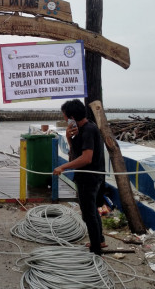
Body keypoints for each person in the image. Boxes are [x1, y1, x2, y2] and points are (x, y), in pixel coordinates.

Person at [52, 99, 105, 255]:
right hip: (85, 178)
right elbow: (74, 156)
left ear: (72, 117)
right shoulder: (80, 131)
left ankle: (96, 251)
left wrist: (62, 167)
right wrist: (69, 138)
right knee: (92, 210)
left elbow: (86, 158)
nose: (64, 120)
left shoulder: (89, 130)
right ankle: (99, 240)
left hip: (90, 178)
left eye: (65, 117)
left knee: (88, 214)